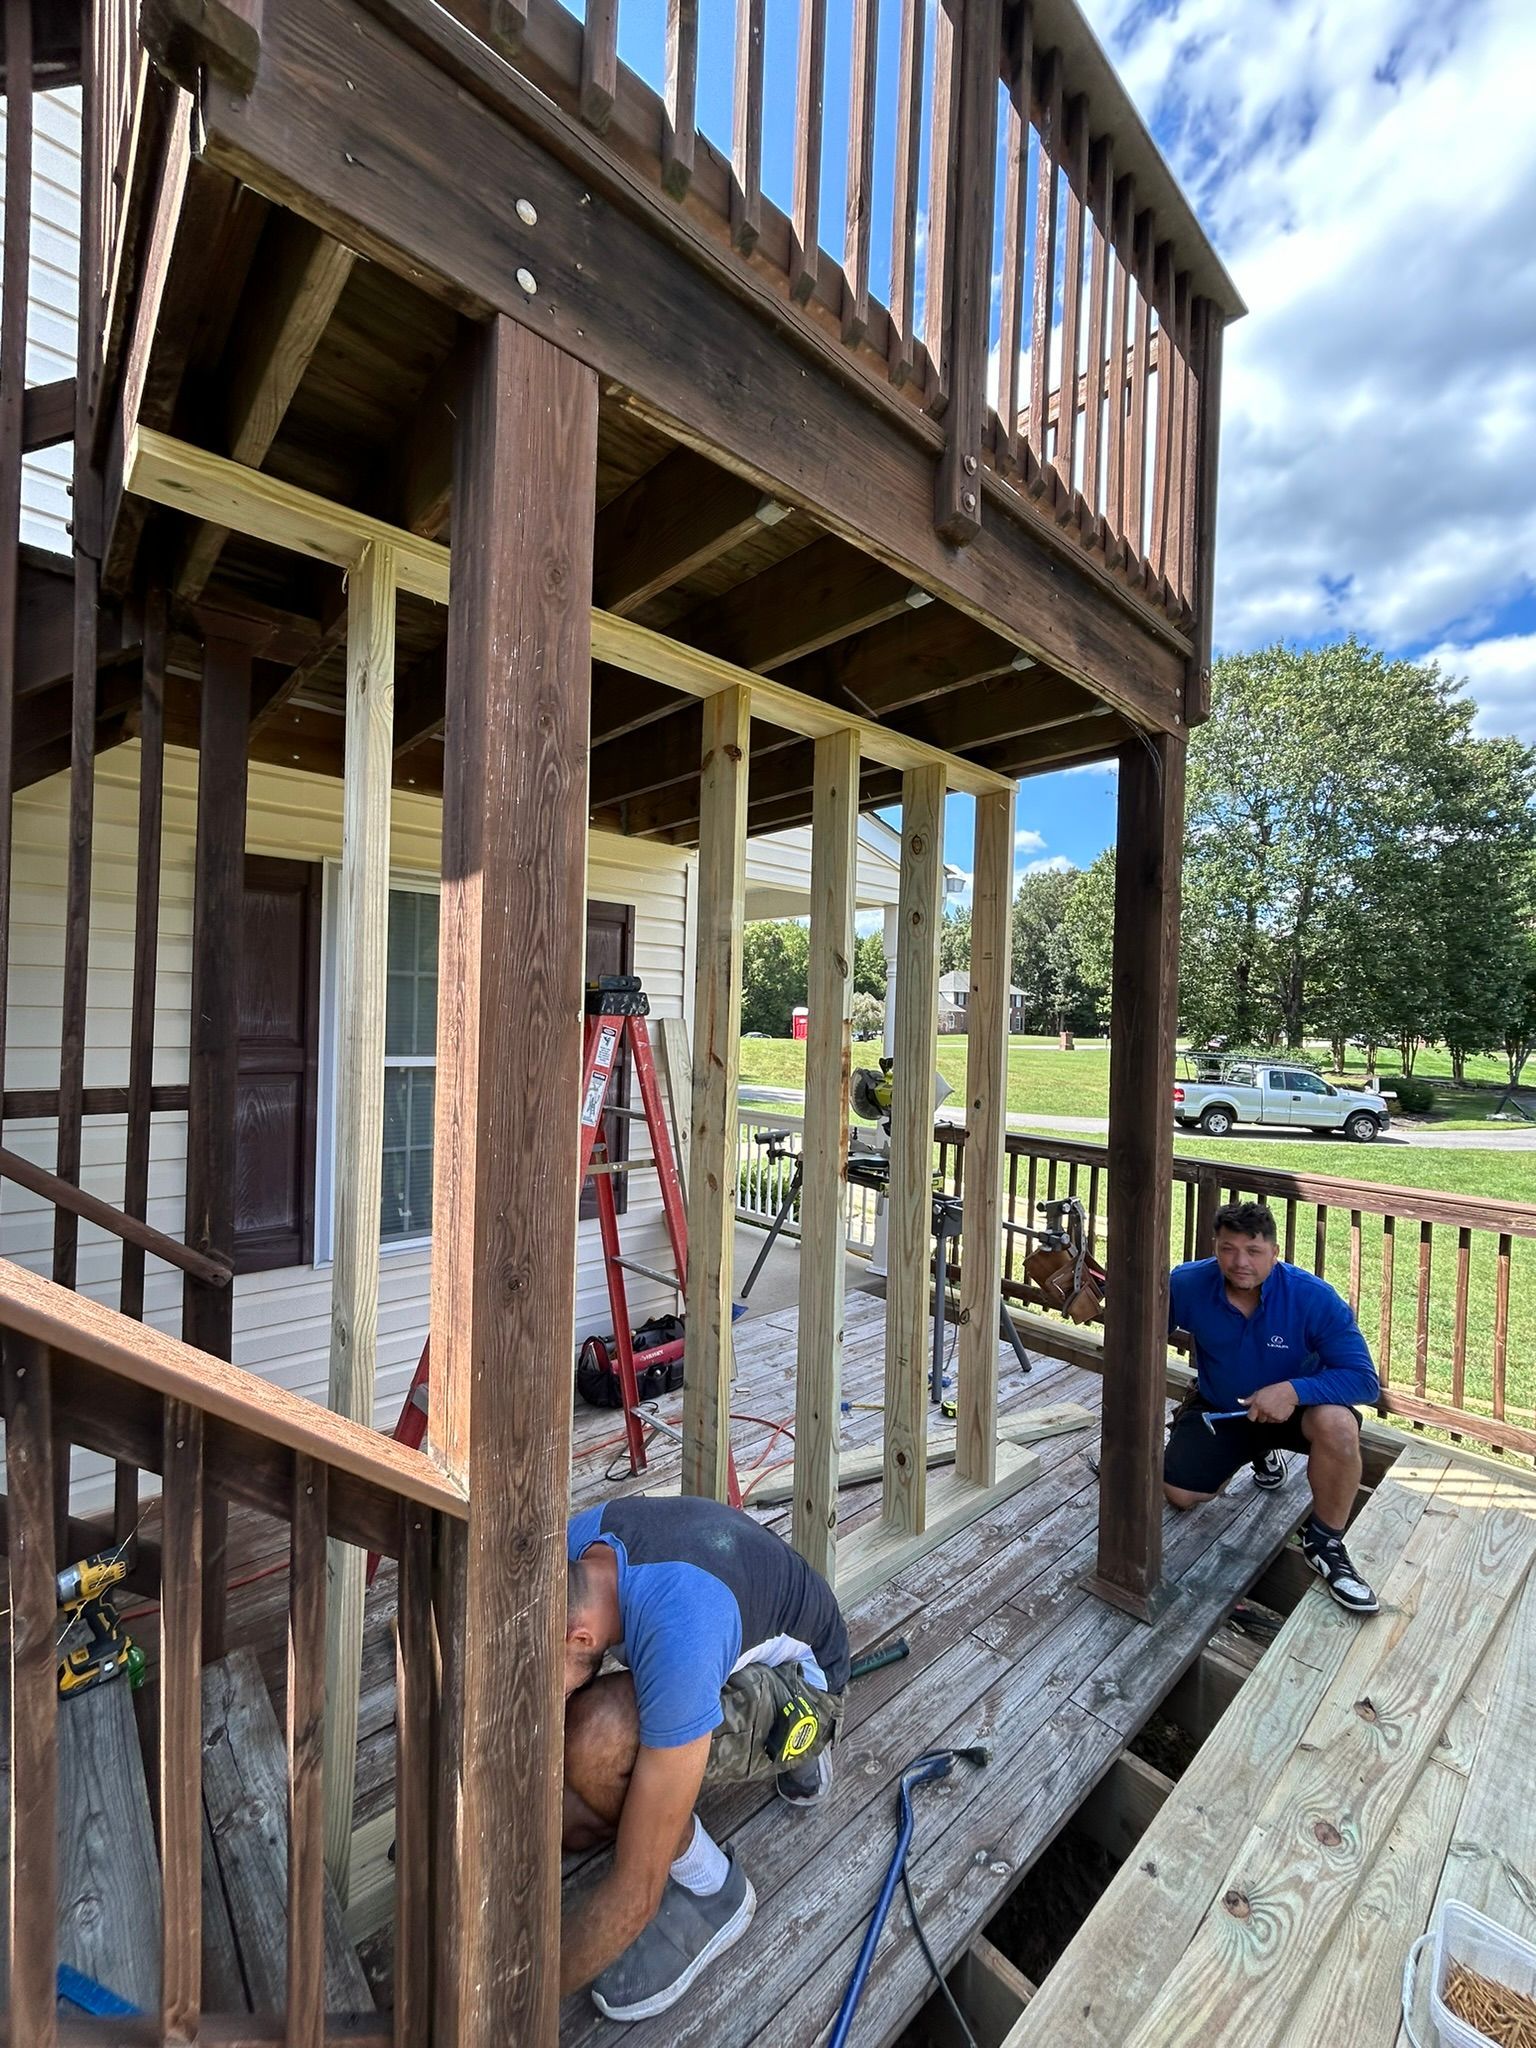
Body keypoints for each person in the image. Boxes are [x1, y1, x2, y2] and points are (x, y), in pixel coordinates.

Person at [559, 1495, 850, 2022]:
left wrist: (497, 2000)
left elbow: (634, 1892)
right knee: (568, 1820)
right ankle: (760, 1739)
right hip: (745, 1615)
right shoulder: (575, 1547)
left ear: (580, 1637)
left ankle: (714, 1888)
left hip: (810, 1691)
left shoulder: (680, 1632)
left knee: (596, 1738)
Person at [1164, 1199, 1381, 1615]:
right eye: (1228, 1248)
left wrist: (1293, 1391)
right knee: (1180, 1493)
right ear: (1215, 1246)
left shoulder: (1312, 1298)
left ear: (1275, 1253)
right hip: (1221, 1408)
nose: (1239, 1261)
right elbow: (1141, 1329)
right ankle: (1254, 1452)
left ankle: (1325, 1543)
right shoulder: (1188, 1284)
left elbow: (1364, 1381)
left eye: (1253, 1251)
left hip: (1298, 1413)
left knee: (1338, 1424)